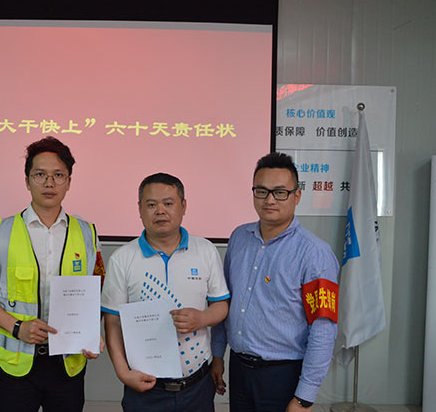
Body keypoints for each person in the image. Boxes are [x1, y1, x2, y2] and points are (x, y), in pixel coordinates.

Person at [0, 136, 104, 412]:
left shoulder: (87, 233)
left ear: (69, 181)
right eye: (40, 175)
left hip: (67, 362)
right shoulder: (1, 231)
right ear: (27, 180)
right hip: (16, 363)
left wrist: (91, 333)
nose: (49, 183)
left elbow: (94, 291)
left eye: (58, 175)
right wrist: (17, 327)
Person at [211, 152, 340, 412]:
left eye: (280, 192)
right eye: (262, 191)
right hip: (239, 369)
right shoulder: (239, 238)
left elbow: (323, 328)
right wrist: (217, 354)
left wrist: (304, 397)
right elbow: (224, 300)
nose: (269, 200)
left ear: (297, 196)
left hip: (283, 375)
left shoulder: (315, 253)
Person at [102, 172, 230, 412]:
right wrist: (123, 373)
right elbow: (113, 322)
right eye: (151, 205)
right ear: (140, 209)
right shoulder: (122, 258)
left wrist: (202, 318)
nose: (160, 211)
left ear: (183, 206)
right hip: (145, 387)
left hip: (197, 385)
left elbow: (221, 305)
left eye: (168, 203)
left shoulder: (205, 250)